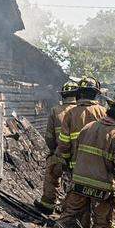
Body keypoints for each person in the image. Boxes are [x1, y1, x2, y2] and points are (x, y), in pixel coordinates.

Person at [52, 98, 115, 228]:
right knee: (103, 224)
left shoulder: (88, 127)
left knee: (69, 216)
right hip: (102, 189)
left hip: (78, 184)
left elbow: (76, 152)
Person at [44, 76, 107, 204]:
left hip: (72, 160)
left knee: (54, 174)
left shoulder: (69, 113)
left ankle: (48, 204)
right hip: (98, 163)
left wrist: (60, 155)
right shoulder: (104, 112)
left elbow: (56, 139)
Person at [38, 79, 78, 213]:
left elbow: (49, 137)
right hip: (80, 157)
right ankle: (72, 209)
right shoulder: (82, 111)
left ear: (63, 95)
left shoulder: (55, 111)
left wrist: (53, 151)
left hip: (60, 153)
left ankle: (48, 204)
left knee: (51, 174)